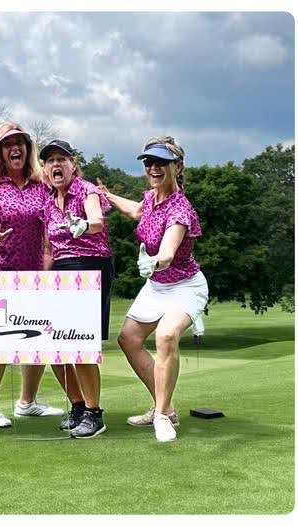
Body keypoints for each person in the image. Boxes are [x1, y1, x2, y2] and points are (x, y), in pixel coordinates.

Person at [97, 136, 208, 442]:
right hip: (157, 286)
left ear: (178, 166)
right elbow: (136, 210)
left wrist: (154, 262)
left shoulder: (180, 209)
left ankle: (161, 416)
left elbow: (169, 251)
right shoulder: (151, 199)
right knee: (129, 339)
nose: (154, 168)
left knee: (167, 335)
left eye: (161, 162)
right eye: (149, 162)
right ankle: (167, 406)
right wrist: (108, 195)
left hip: (185, 285)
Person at [0, 123, 64, 428]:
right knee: (0, 342)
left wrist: (47, 269)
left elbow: (48, 233)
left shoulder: (41, 185)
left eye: (21, 142)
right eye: (8, 143)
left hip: (33, 271)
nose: (15, 148)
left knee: (37, 338)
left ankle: (27, 402)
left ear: (28, 149)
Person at [40, 139, 114, 439]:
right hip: (60, 269)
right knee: (52, 345)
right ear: (44, 169)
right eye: (50, 161)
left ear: (73, 165)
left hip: (89, 265)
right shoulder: (47, 201)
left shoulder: (86, 190)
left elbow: (96, 220)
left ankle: (94, 414)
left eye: (62, 159)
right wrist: (43, 279)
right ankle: (78, 406)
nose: (56, 165)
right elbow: (47, 248)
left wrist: (83, 224)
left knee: (79, 343)